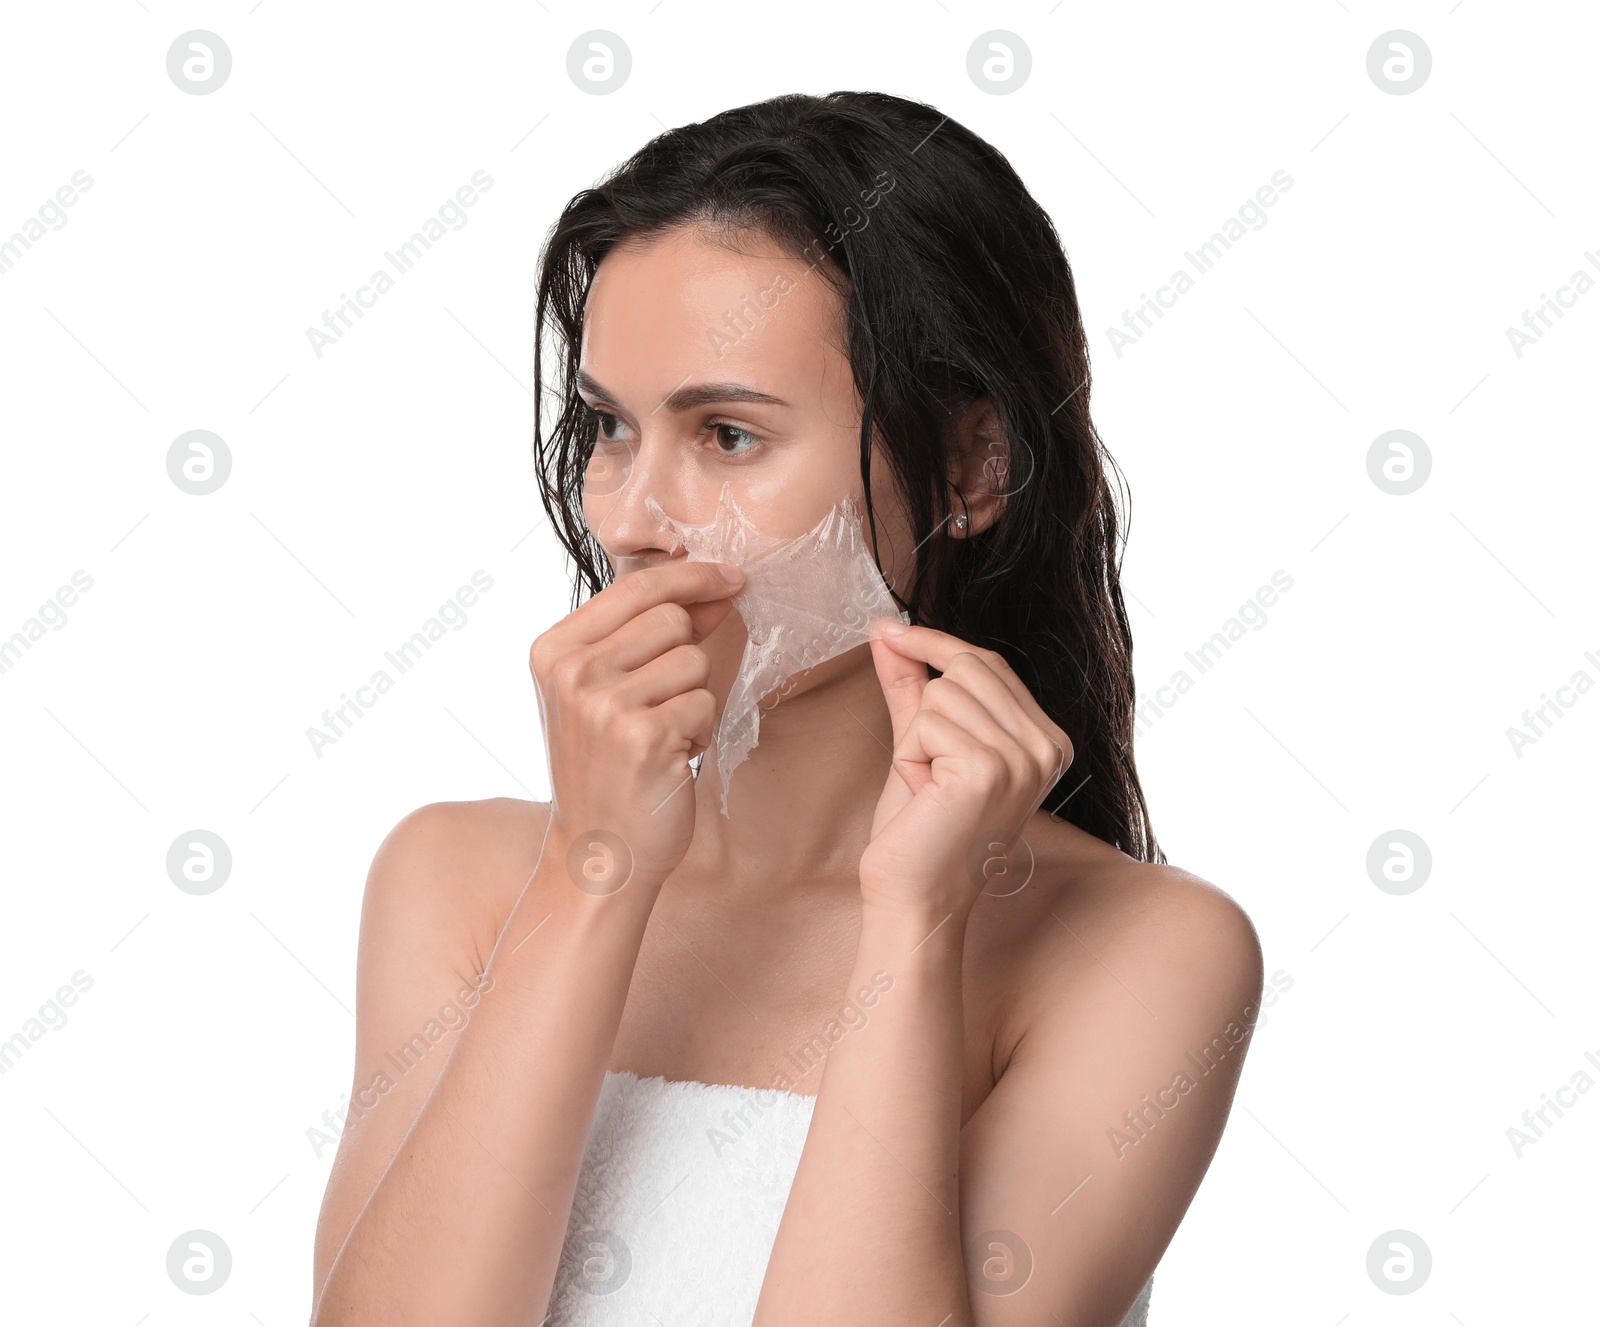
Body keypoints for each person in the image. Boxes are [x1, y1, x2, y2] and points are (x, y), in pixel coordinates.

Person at [309, 90, 1263, 1327]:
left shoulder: (1140, 954)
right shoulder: (457, 876)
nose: (629, 517)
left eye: (725, 434)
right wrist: (592, 877)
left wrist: (914, 925)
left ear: (971, 466)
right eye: (608, 426)